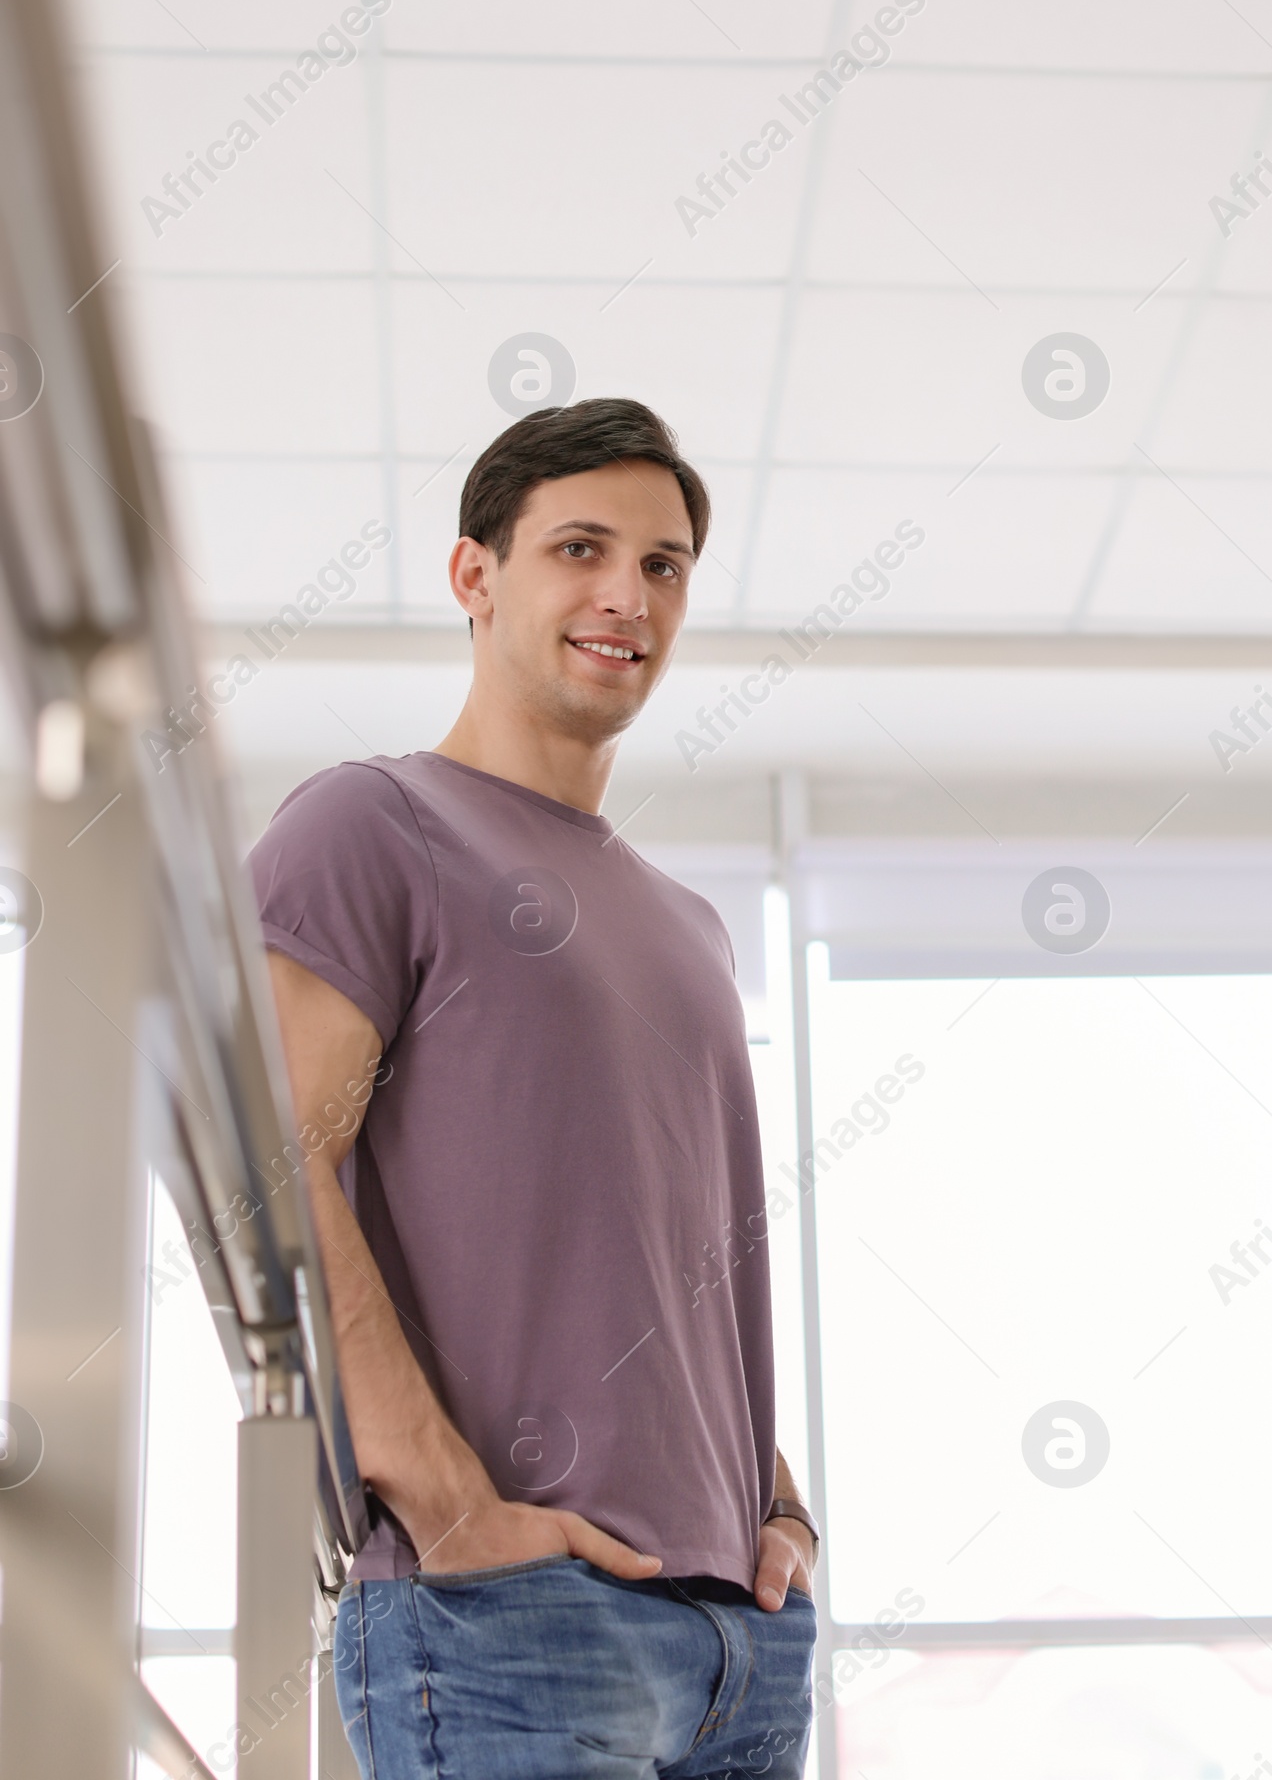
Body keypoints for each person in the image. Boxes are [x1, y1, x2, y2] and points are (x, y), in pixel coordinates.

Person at [250, 397, 819, 1780]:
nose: (627, 593)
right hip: (511, 1620)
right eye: (580, 547)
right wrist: (446, 1508)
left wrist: (783, 1506)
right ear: (475, 576)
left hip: (744, 1638)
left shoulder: (688, 924)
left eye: (666, 563)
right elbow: (272, 1171)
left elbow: (671, 1245)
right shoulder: (370, 824)